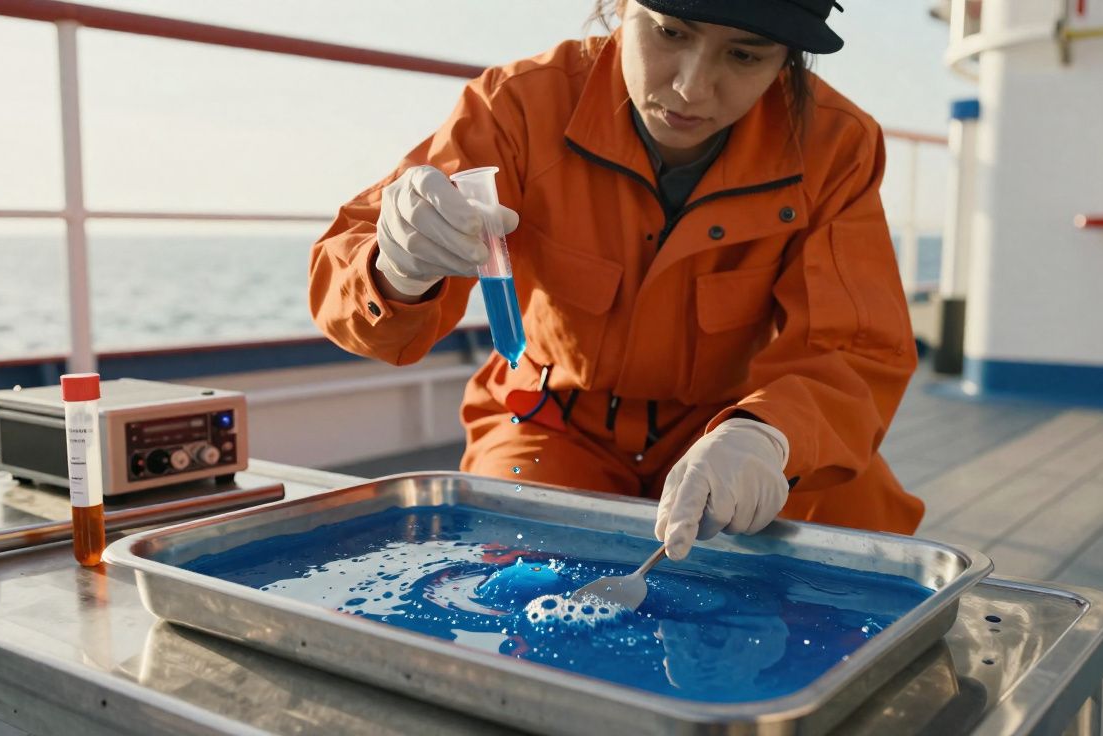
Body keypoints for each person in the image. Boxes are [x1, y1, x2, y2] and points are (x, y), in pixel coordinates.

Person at [309, 0, 923, 561]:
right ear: (620, 9)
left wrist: (767, 436)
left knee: (859, 543)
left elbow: (855, 345)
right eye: (670, 31)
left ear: (788, 59)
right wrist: (394, 270)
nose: (690, 87)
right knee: (514, 559)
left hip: (731, 424)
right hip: (549, 417)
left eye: (745, 54)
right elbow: (355, 298)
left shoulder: (837, 143)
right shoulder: (517, 105)